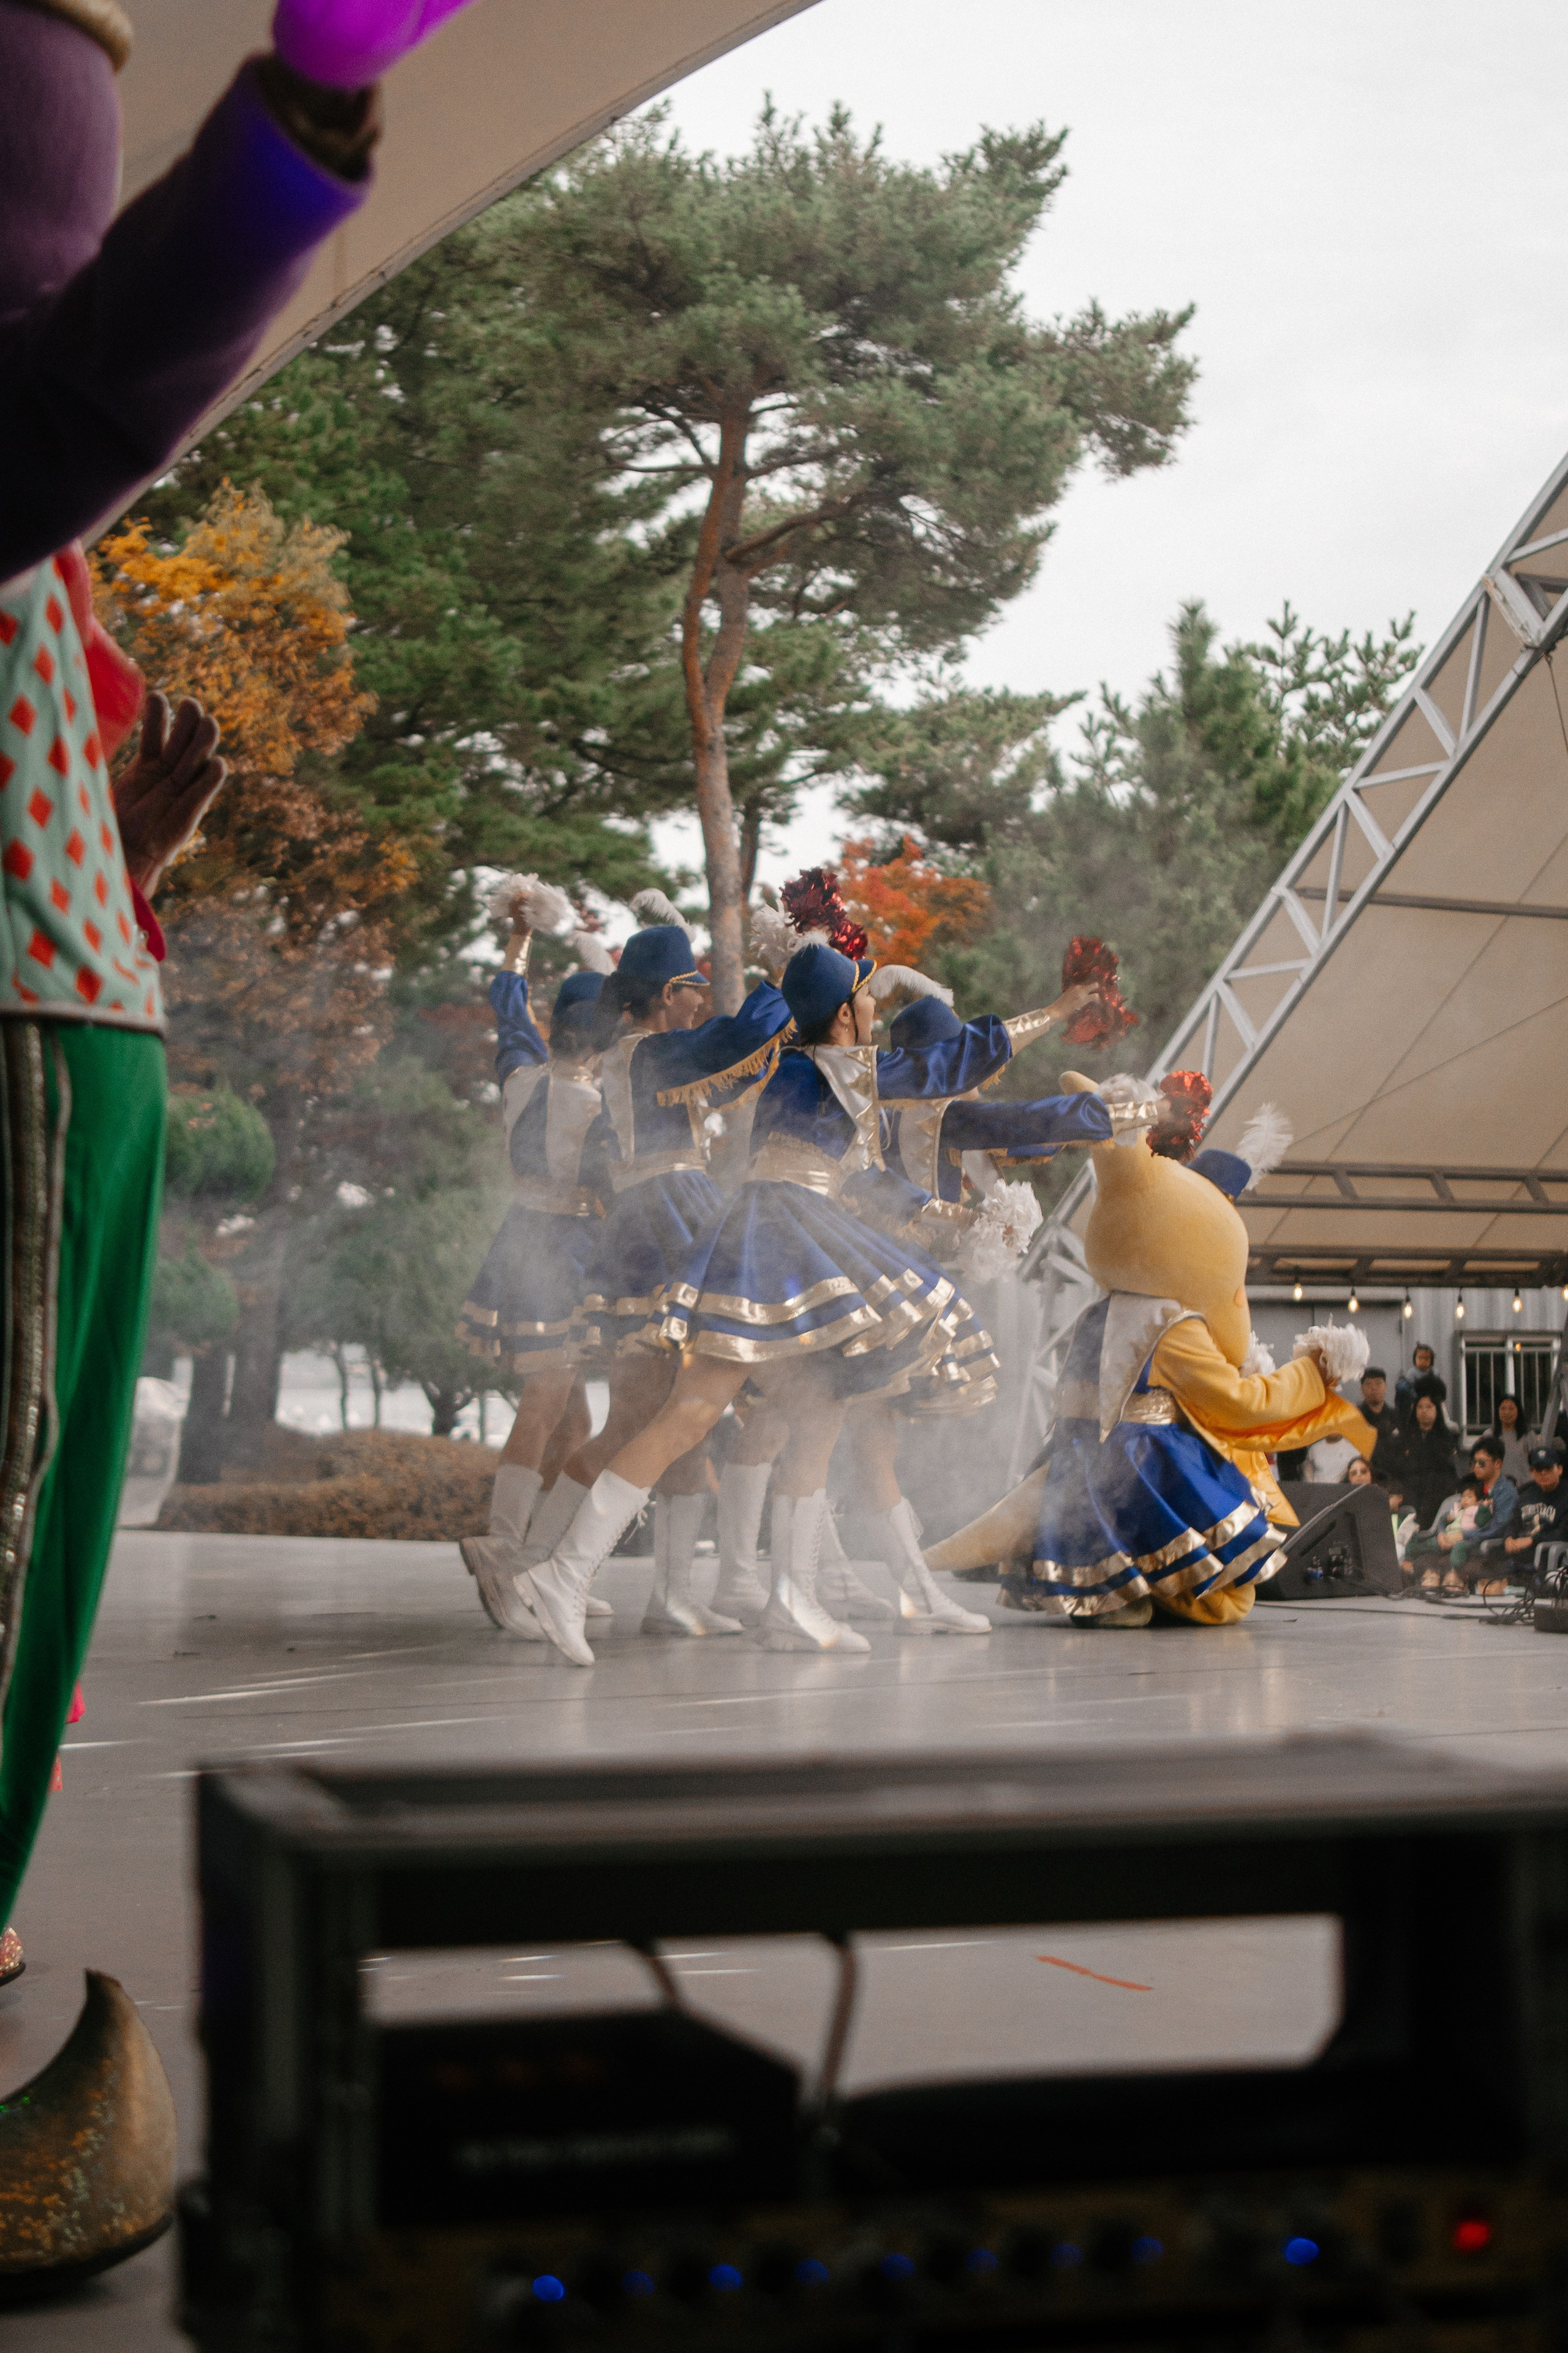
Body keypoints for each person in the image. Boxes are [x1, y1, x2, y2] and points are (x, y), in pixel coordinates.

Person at [0, 0, 493, 2285]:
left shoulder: (70, 558)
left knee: (34, 1553)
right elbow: (71, 395)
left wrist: (136, 837)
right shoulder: (51, 438)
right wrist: (292, 128)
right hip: (19, 1030)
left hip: (73, 1014)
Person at [516, 943, 1095, 1663]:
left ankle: (791, 1599)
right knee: (691, 1412)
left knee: (816, 1409)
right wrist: (1063, 1011)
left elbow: (866, 1185)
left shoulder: (820, 1075)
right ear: (844, 1017)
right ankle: (564, 1574)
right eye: (865, 996)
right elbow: (949, 1064)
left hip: (787, 1231)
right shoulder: (827, 1065)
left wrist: (969, 1222)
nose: (876, 1005)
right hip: (777, 1238)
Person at [922, 1096, 1377, 1625]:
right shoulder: (1173, 1327)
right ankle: (1141, 1590)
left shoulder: (1101, 1311)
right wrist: (1312, 1374)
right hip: (1143, 1470)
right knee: (1228, 1595)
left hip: (1078, 1464)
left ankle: (1118, 1591)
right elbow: (1239, 1402)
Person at [454, 904, 619, 1638]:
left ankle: (545, 1560)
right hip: (566, 1246)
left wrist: (521, 935)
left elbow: (507, 1002)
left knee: (573, 1413)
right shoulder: (598, 1103)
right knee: (548, 1399)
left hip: (525, 1237)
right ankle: (504, 1549)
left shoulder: (522, 1071)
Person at [1388, 1392, 1460, 1531]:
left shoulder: (1446, 1438)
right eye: (1420, 1407)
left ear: (1437, 1410)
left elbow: (1449, 1474)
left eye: (1429, 1407)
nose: (1424, 1411)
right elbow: (1397, 1469)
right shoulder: (1406, 1437)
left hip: (1436, 1496)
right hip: (1409, 1496)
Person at [1502, 1445, 1568, 1569]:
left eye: (1548, 1468)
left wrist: (1532, 1541)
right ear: (1532, 1473)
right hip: (1517, 1556)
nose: (1543, 1473)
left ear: (1559, 1470)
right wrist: (1509, 1538)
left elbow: (1563, 1534)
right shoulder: (1525, 1494)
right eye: (1538, 1469)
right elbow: (1512, 1523)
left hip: (1547, 1558)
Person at [1487, 1393, 1533, 1487]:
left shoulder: (1529, 1436)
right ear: (1497, 1411)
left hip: (1525, 1488)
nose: (1507, 1412)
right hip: (1497, 1489)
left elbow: (1537, 1464)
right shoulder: (1489, 1436)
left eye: (1511, 1409)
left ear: (1518, 1411)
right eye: (1503, 1409)